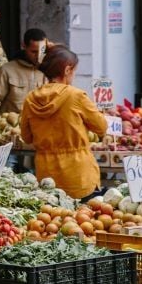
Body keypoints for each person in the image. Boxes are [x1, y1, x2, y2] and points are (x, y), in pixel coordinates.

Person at [19, 45, 108, 201]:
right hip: (78, 175)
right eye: (74, 71)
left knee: (53, 221)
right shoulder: (76, 96)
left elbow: (26, 137)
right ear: (67, 70)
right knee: (84, 221)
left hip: (46, 174)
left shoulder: (30, 98)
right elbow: (101, 127)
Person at [0, 28, 47, 115]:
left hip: (38, 126)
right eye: (34, 52)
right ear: (24, 46)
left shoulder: (47, 71)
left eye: (42, 51)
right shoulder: (6, 70)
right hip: (11, 126)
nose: (38, 56)